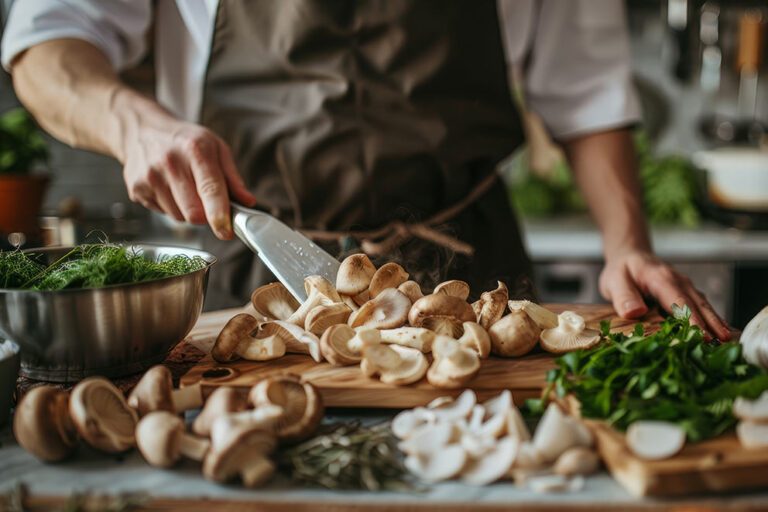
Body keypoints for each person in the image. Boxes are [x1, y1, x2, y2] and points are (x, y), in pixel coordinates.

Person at [1, 0, 731, 339]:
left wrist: (627, 243)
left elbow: (588, 91)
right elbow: (46, 40)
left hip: (472, 289)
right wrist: (136, 125)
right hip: (245, 286)